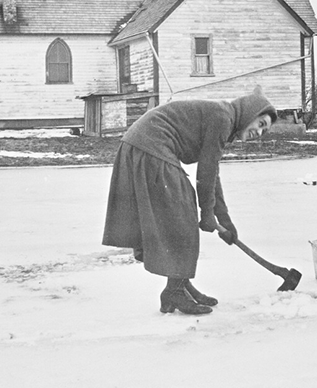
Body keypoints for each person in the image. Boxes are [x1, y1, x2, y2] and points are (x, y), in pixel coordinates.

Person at [102, 88, 277, 315]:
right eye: (261, 124)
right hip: (152, 145)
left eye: (265, 131)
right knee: (183, 216)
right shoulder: (223, 117)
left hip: (142, 145)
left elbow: (212, 173)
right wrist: (207, 214)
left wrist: (224, 220)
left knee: (181, 214)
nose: (260, 133)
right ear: (250, 113)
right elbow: (206, 171)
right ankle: (173, 291)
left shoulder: (224, 116)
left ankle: (180, 286)